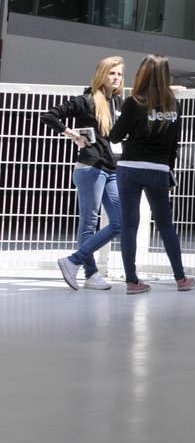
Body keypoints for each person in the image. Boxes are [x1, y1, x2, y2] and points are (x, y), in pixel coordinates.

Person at [109, 54, 192, 293]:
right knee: (165, 224)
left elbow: (115, 136)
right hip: (159, 169)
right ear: (166, 76)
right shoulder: (174, 105)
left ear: (142, 74)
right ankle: (181, 278)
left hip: (130, 167)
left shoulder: (135, 102)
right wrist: (168, 168)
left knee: (129, 225)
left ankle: (132, 281)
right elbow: (175, 143)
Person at [45, 56, 125, 291]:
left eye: (119, 74)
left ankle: (73, 261)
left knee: (120, 222)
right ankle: (90, 274)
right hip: (90, 167)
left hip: (111, 168)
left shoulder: (118, 103)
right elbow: (49, 115)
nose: (116, 77)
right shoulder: (86, 100)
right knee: (89, 223)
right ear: (102, 74)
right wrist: (72, 135)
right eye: (112, 73)